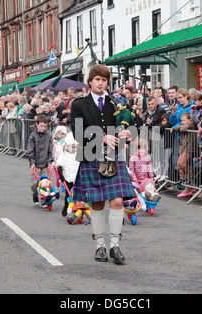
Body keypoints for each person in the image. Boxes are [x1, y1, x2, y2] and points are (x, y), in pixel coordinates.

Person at [68, 64, 135, 264]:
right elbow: (78, 133)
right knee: (96, 203)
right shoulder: (79, 104)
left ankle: (115, 245)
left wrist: (128, 132)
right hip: (91, 156)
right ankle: (100, 247)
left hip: (113, 157)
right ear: (90, 82)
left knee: (117, 201)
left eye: (104, 80)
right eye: (97, 79)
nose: (100, 83)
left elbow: (132, 121)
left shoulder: (115, 103)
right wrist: (102, 137)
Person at [27, 115, 54, 206]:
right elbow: (30, 150)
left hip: (45, 164)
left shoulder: (49, 135)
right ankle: (35, 195)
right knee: (35, 184)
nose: (43, 128)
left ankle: (44, 200)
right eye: (41, 126)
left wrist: (50, 161)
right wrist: (32, 162)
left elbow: (51, 150)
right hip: (36, 164)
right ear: (37, 125)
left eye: (45, 126)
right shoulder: (33, 136)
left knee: (45, 184)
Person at [56, 133, 80, 217]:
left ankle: (79, 209)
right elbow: (59, 164)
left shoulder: (79, 154)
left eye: (75, 147)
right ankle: (66, 206)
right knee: (69, 194)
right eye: (72, 147)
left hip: (78, 178)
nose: (74, 149)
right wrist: (61, 176)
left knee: (79, 195)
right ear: (68, 146)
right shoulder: (64, 155)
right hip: (68, 178)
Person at [174, 112, 197, 197]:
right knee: (179, 164)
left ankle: (189, 178)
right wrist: (180, 126)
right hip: (183, 147)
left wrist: (180, 127)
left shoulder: (191, 124)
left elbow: (183, 128)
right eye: (181, 120)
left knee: (183, 163)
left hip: (189, 148)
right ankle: (183, 178)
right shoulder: (184, 125)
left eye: (184, 120)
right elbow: (177, 127)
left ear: (189, 120)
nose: (182, 122)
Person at [156, 113, 173, 182]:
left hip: (168, 145)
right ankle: (160, 173)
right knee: (162, 160)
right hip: (164, 145)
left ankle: (165, 173)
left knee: (166, 160)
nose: (163, 122)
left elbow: (160, 128)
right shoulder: (163, 127)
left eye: (165, 120)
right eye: (162, 121)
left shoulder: (168, 126)